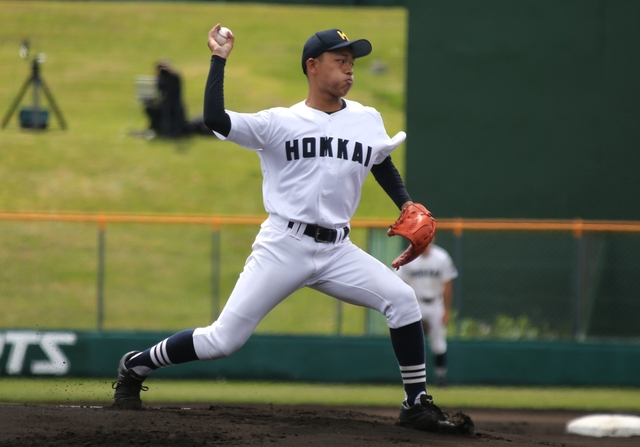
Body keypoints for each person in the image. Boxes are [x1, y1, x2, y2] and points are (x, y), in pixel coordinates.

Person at [112, 24, 450, 432]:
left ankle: (416, 402)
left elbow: (380, 162)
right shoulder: (279, 122)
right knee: (222, 341)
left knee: (402, 300)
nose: (349, 70)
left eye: (352, 63)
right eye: (340, 61)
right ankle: (136, 364)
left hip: (337, 250)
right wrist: (219, 59)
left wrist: (406, 203)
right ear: (312, 66)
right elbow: (216, 119)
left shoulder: (366, 118)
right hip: (283, 245)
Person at [395, 241, 458, 387]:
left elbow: (448, 285)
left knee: (439, 344)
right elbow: (400, 284)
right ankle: (411, 379)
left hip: (436, 304)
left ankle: (440, 378)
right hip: (416, 303)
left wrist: (446, 311)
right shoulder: (408, 257)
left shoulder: (442, 257)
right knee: (411, 343)